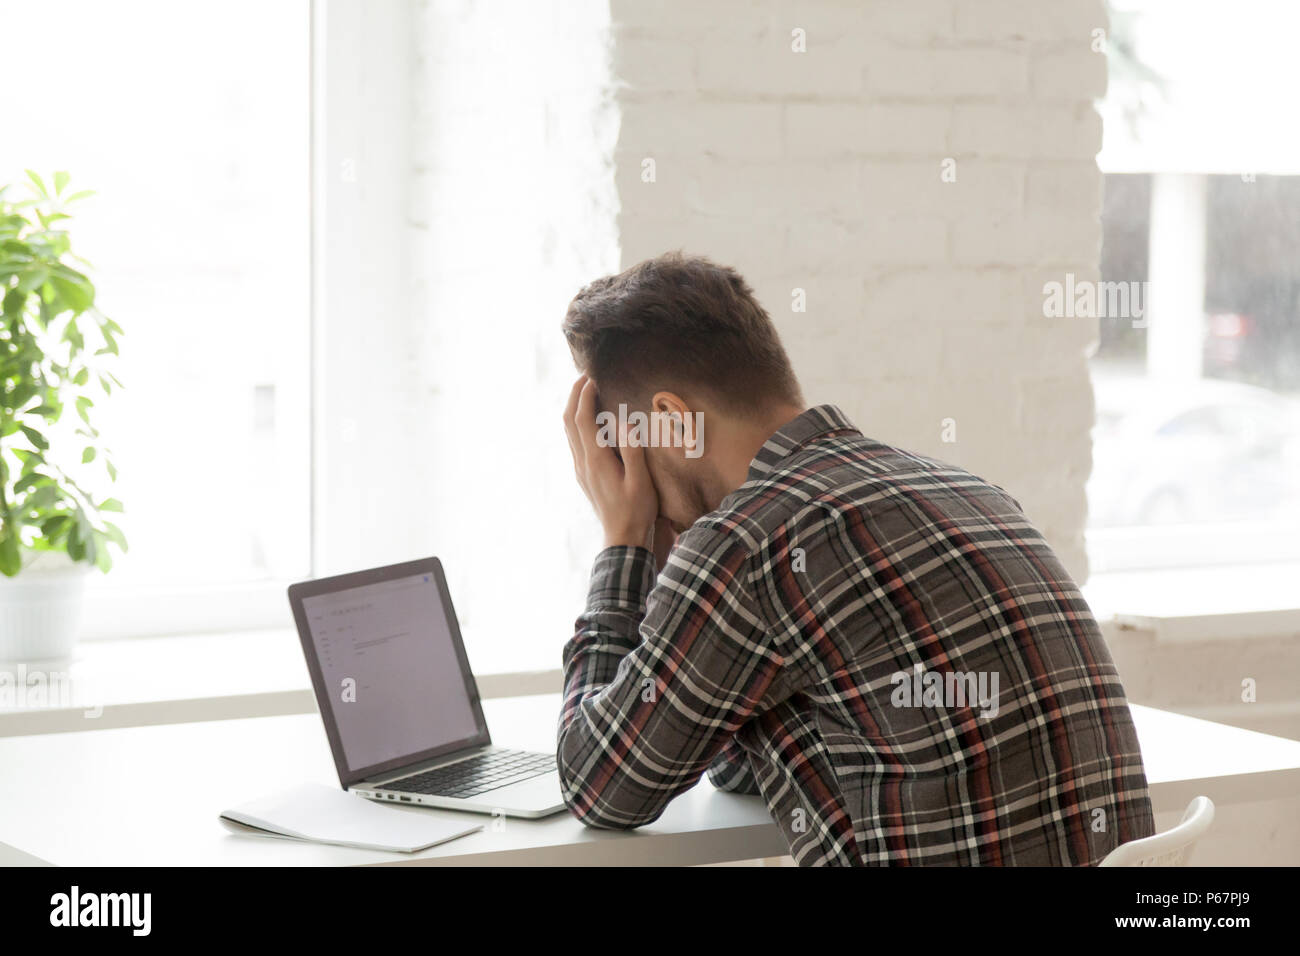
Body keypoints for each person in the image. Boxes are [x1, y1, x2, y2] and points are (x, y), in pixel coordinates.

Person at [556, 251, 1155, 865]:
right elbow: (740, 757)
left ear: (671, 422)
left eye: (623, 455)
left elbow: (598, 786)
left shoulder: (750, 541)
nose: (626, 480)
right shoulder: (963, 488)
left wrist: (624, 545)